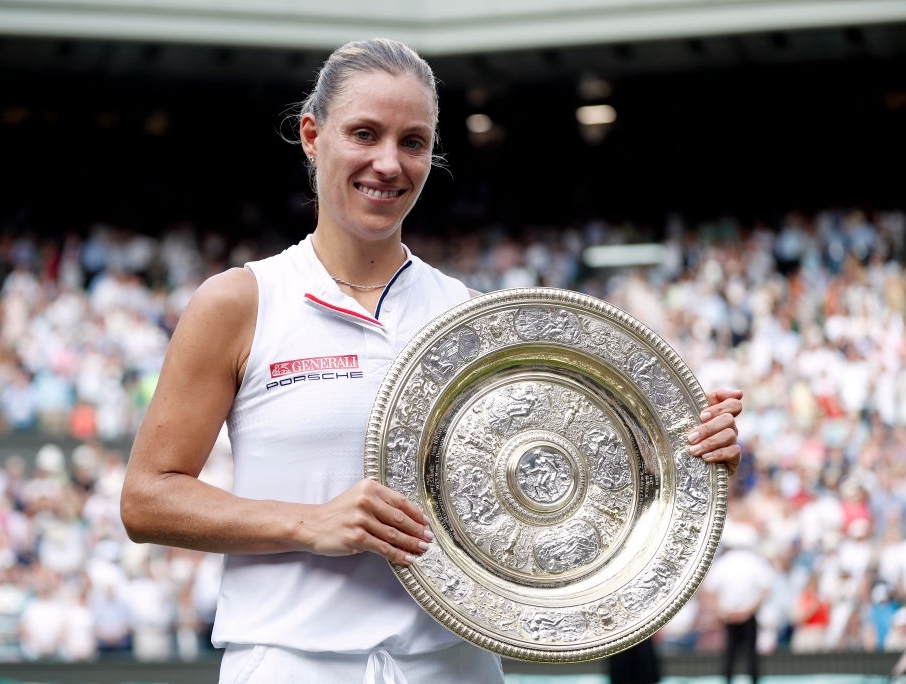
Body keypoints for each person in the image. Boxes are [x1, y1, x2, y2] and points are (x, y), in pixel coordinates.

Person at [119, 36, 745, 684]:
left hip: (455, 666)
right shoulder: (241, 301)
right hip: (291, 663)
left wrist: (686, 454)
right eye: (364, 134)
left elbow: (557, 476)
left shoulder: (471, 316)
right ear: (312, 135)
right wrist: (310, 523)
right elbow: (147, 499)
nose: (388, 164)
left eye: (412, 142)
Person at [702, 519, 775, 684]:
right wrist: (749, 610)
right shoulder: (755, 562)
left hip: (731, 616)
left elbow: (709, 591)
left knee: (729, 655)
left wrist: (723, 611)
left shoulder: (723, 563)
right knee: (751, 656)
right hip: (747, 616)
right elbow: (767, 589)